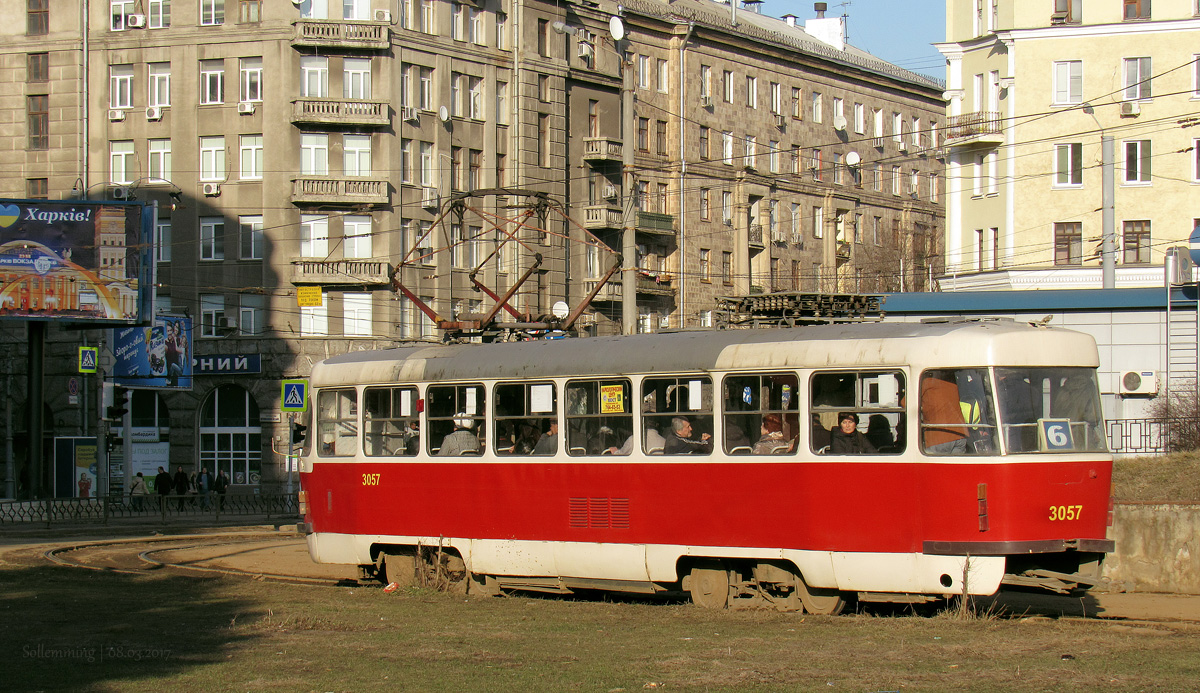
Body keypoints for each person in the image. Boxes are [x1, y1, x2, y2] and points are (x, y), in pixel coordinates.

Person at [920, 372, 969, 455]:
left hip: (938, 438)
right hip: (960, 435)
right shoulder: (953, 386)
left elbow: (905, 403)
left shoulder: (926, 383)